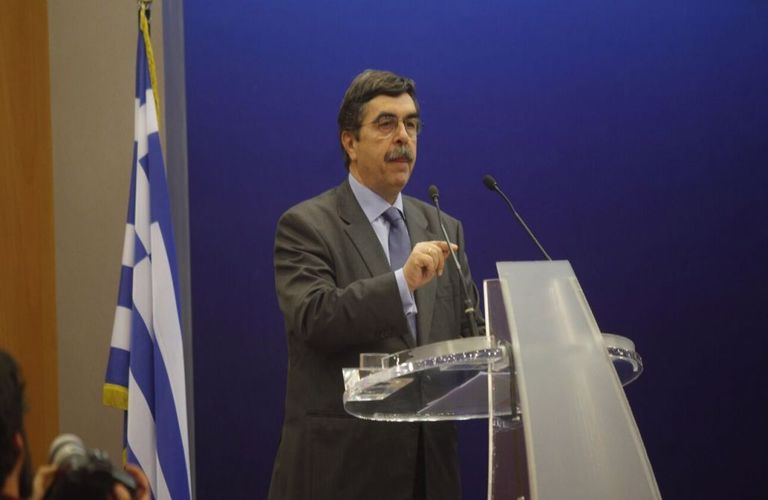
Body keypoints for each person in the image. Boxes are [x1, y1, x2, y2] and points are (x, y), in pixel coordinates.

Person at [268, 70, 481, 500]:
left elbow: (467, 337)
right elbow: (315, 317)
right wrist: (403, 283)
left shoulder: (443, 226)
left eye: (411, 124)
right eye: (386, 124)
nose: (403, 137)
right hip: (342, 474)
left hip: (430, 475)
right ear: (350, 142)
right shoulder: (307, 225)